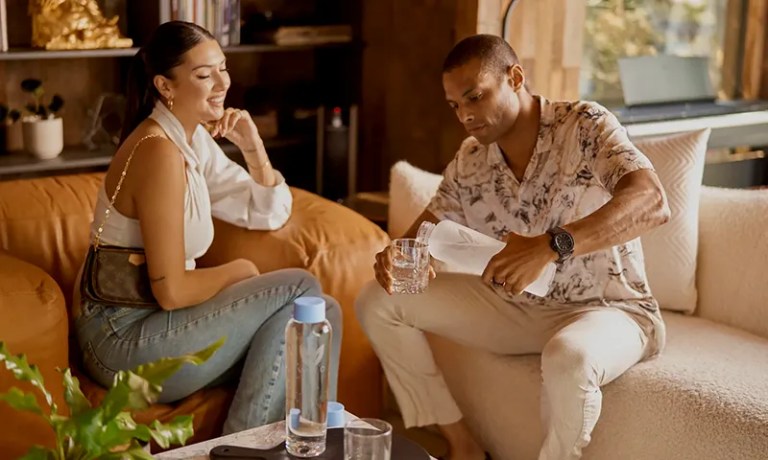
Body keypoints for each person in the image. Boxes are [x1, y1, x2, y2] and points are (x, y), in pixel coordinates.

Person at [356, 34, 670, 460]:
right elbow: (421, 237)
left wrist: (552, 245)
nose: (465, 115)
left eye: (475, 97)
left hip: (610, 309)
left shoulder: (585, 125)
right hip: (518, 309)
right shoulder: (471, 160)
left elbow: (652, 202)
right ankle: (462, 446)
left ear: (515, 77)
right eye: (455, 106)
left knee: (568, 358)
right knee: (377, 301)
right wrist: (398, 257)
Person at [72, 21, 342, 434]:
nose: (221, 83)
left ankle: (293, 444)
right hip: (121, 340)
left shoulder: (189, 140)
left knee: (321, 315)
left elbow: (269, 210)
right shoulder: (159, 151)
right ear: (165, 86)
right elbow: (172, 289)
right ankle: (246, 450)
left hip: (154, 326)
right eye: (203, 75)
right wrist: (240, 270)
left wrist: (252, 146)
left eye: (223, 68)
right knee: (301, 289)